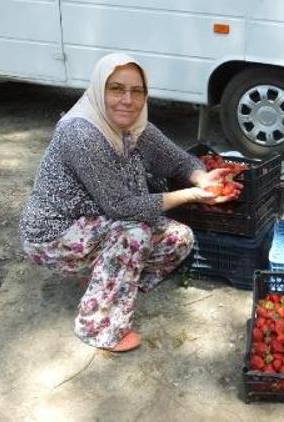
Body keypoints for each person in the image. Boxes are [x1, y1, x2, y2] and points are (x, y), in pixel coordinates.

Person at [19, 53, 240, 352]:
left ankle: (105, 282)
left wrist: (202, 178)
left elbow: (175, 160)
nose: (127, 99)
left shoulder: (136, 127)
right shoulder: (82, 133)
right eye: (116, 89)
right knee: (134, 235)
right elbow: (120, 207)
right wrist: (191, 195)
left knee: (179, 239)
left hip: (98, 225)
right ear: (99, 89)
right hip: (54, 235)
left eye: (137, 91)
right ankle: (97, 327)